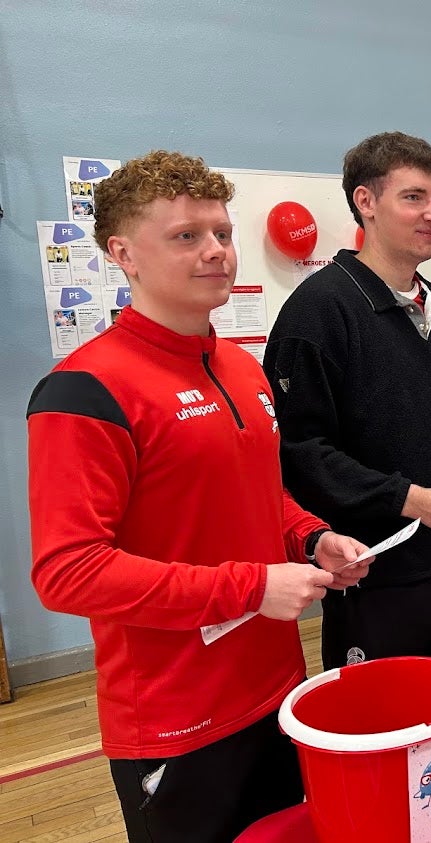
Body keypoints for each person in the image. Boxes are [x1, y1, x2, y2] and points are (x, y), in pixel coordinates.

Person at [26, 150, 371, 843]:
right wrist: (249, 588)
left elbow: (253, 494)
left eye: (221, 232)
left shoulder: (242, 367)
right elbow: (67, 571)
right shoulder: (85, 390)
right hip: (173, 717)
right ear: (123, 253)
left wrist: (309, 536)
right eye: (187, 236)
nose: (216, 251)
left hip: (275, 691)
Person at [263, 132, 431, 678]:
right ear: (365, 202)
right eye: (414, 197)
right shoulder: (318, 311)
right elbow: (300, 453)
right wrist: (410, 499)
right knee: (382, 728)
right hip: (377, 570)